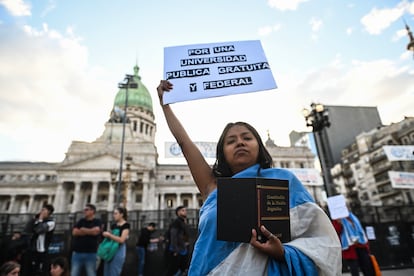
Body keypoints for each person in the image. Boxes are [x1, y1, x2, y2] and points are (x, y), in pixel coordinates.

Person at [157, 80, 342, 275]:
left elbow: (318, 238)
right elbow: (184, 143)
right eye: (231, 141)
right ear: (222, 152)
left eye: (247, 138)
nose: (240, 143)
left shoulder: (284, 181)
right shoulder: (212, 187)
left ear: (259, 146)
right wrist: (165, 105)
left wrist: (283, 253)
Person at [22, 204, 55, 276]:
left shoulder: (51, 222)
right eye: (41, 210)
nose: (41, 212)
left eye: (44, 210)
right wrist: (34, 219)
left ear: (49, 212)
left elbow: (39, 230)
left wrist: (40, 219)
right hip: (31, 249)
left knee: (40, 271)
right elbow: (26, 229)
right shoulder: (35, 221)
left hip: (41, 251)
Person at [71, 204, 102, 276]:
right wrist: (90, 231)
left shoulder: (97, 221)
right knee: (74, 273)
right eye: (84, 209)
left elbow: (96, 232)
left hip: (91, 253)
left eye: (86, 209)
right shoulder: (81, 221)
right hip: (77, 252)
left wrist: (82, 229)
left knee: (91, 273)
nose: (84, 211)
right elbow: (74, 232)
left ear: (92, 211)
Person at [102, 207, 130, 276]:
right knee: (106, 272)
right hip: (109, 249)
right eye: (113, 214)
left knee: (114, 272)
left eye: (116, 213)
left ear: (121, 214)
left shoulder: (126, 225)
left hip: (118, 250)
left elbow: (122, 240)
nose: (114, 215)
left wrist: (110, 235)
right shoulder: (113, 225)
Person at [165, 206, 190, 276]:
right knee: (173, 269)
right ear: (178, 212)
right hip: (177, 250)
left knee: (182, 269)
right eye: (183, 210)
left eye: (185, 210)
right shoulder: (176, 222)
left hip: (182, 249)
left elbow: (184, 234)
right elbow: (173, 236)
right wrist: (175, 250)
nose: (185, 212)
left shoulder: (182, 222)